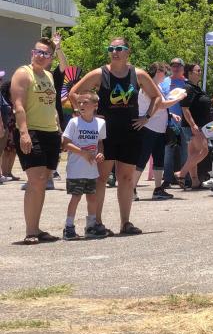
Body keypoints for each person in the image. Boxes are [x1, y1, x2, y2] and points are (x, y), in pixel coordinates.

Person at [70, 37, 161, 237]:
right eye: (110, 48)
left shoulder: (138, 74)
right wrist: (87, 114)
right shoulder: (99, 74)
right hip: (105, 134)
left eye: (119, 48)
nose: (114, 51)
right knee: (101, 178)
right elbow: (74, 93)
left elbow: (156, 97)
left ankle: (125, 222)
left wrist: (146, 118)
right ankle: (96, 223)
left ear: (128, 51)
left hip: (130, 133)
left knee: (126, 178)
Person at [10, 37, 62, 244]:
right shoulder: (24, 73)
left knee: (44, 180)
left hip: (51, 132)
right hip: (31, 131)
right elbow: (18, 105)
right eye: (37, 52)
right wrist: (23, 133)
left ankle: (37, 228)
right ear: (32, 53)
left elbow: (52, 105)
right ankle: (30, 231)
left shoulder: (48, 75)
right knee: (36, 179)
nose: (41, 56)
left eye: (45, 53)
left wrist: (59, 129)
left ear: (50, 58)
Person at [135, 63, 184, 201]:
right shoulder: (148, 86)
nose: (166, 74)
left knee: (158, 160)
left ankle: (158, 189)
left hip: (158, 129)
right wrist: (178, 99)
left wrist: (170, 115)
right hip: (148, 128)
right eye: (164, 71)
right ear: (157, 71)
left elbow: (159, 108)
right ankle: (131, 189)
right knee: (142, 160)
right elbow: (160, 104)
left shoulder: (157, 87)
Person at [61, 93, 106, 239]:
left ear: (95, 106)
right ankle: (68, 227)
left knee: (92, 197)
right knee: (76, 196)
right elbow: (65, 143)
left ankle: (91, 226)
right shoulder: (74, 122)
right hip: (76, 168)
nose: (81, 105)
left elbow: (100, 142)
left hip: (91, 169)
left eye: (85, 102)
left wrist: (100, 153)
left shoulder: (100, 123)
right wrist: (83, 153)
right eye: (79, 103)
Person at [178, 62, 213, 191]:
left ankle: (195, 181)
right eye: (197, 71)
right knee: (203, 151)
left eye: (200, 70)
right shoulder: (188, 88)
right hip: (194, 125)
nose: (200, 72)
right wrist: (193, 124)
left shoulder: (195, 87)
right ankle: (181, 173)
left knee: (193, 153)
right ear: (190, 73)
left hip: (201, 125)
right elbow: (185, 108)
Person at [161, 58, 188, 188]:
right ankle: (167, 178)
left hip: (185, 121)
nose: (176, 68)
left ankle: (184, 177)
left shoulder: (187, 83)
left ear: (183, 68)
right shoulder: (164, 82)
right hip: (169, 121)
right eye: (173, 66)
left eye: (178, 66)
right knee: (168, 150)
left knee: (186, 150)